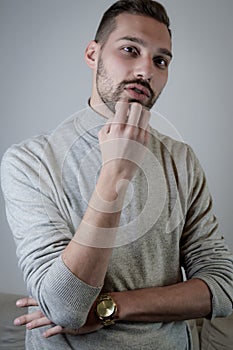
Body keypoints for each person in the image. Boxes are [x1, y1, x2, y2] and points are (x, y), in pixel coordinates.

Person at [1, 0, 233, 349]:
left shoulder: (182, 159)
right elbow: (65, 307)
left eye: (160, 60)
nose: (146, 70)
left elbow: (223, 285)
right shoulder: (29, 161)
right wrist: (116, 172)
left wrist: (111, 307)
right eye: (129, 50)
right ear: (93, 54)